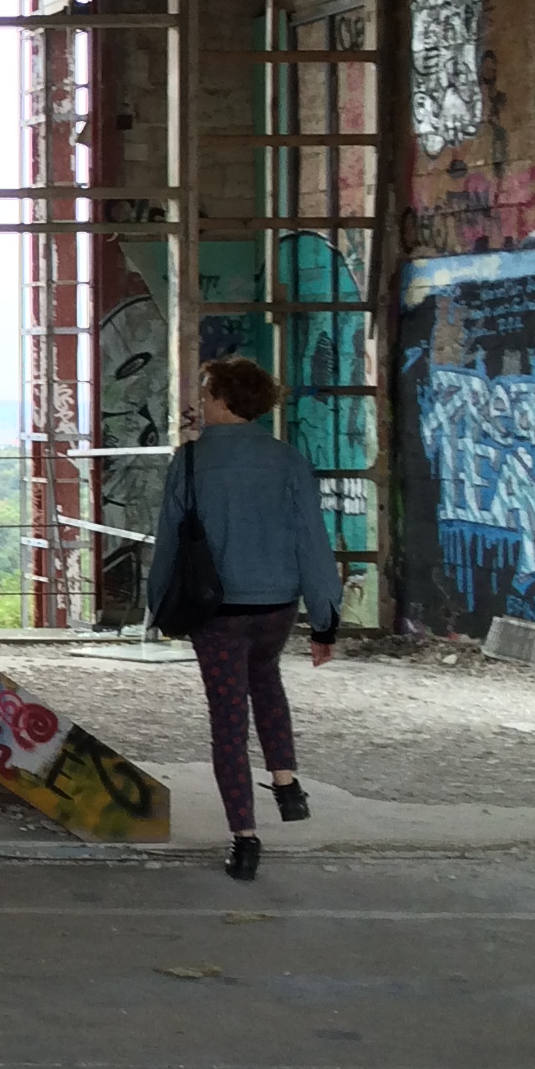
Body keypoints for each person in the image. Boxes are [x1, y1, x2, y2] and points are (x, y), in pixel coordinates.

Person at [147, 355, 340, 882]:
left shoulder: (189, 463)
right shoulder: (288, 461)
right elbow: (312, 543)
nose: (201, 401)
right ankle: (286, 781)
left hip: (217, 611)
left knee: (228, 722)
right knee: (266, 678)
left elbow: (170, 545)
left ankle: (245, 839)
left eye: (207, 392)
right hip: (278, 605)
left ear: (226, 399)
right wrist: (325, 621)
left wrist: (158, 604)